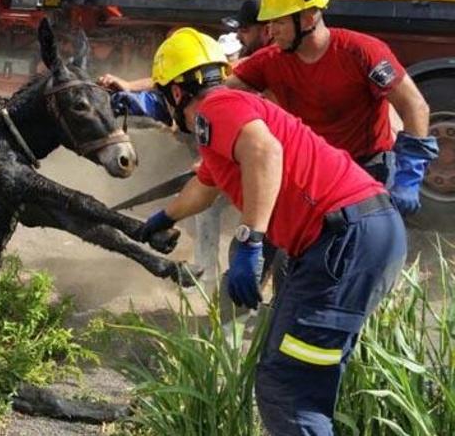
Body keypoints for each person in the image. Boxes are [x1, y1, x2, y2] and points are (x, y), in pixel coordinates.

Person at [139, 27, 406, 435]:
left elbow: (265, 152)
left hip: (342, 239)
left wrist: (250, 240)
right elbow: (203, 188)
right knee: (294, 376)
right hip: (357, 235)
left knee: (287, 387)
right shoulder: (232, 117)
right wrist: (163, 218)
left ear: (176, 92)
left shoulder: (219, 107)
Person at [228, 0, 438, 215]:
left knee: (363, 245)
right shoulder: (270, 61)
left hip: (367, 171)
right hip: (315, 170)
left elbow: (414, 105)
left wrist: (408, 178)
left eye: (279, 22)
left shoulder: (362, 52)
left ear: (308, 18)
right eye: (270, 22)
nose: (271, 31)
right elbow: (222, 93)